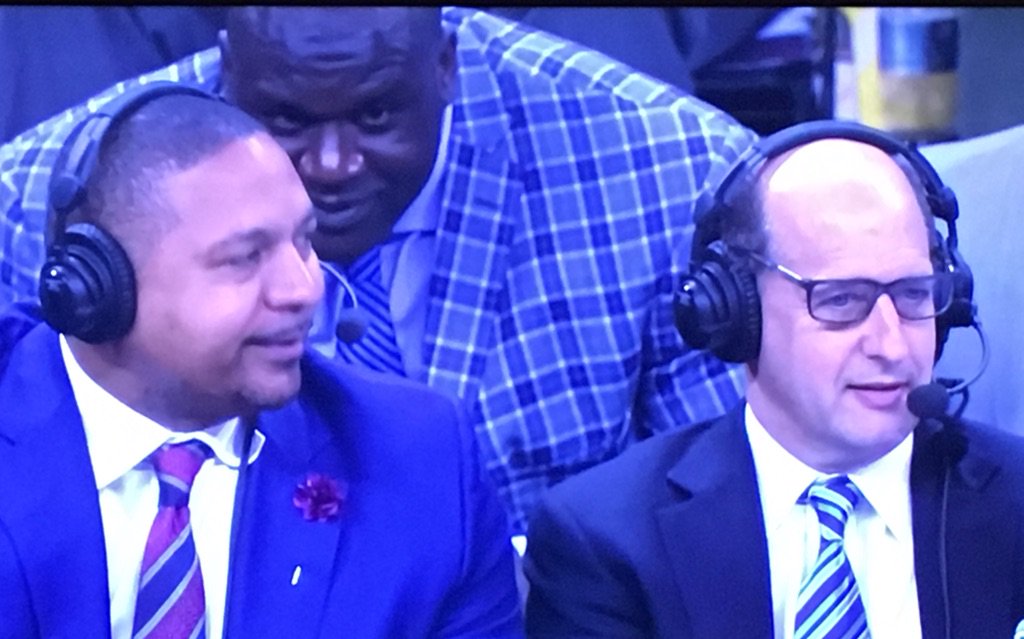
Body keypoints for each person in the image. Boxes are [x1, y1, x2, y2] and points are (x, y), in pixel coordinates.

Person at [0, 7, 757, 533]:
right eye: (287, 121)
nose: (331, 166)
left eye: (375, 117)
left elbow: (719, 522)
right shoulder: (50, 203)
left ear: (447, 67)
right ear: (227, 75)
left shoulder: (667, 175)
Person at [0, 84, 522, 639]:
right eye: (246, 258)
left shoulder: (417, 461)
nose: (304, 288)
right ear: (96, 286)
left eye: (304, 241)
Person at [523, 121, 1024, 637]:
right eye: (840, 300)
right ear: (737, 312)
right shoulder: (604, 540)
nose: (891, 346)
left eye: (913, 294)